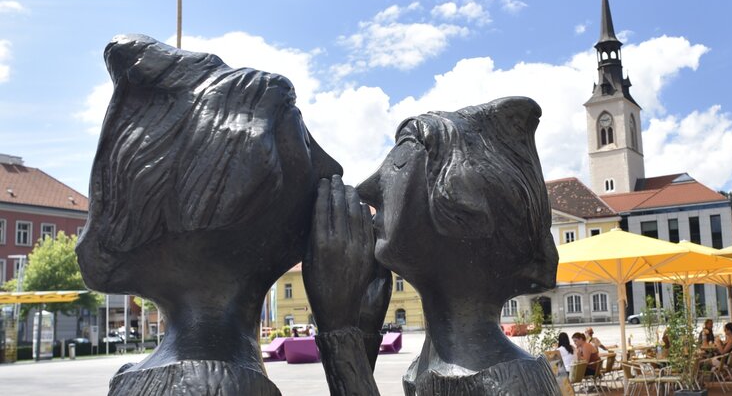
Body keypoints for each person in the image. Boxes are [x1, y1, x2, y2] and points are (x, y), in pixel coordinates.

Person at [76, 35, 343, 396]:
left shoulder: (163, 374)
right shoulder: (219, 386)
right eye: (306, 143)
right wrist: (345, 342)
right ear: (234, 198)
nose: (332, 167)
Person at [304, 97, 561, 395]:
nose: (367, 188)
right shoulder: (429, 370)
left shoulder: (507, 383)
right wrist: (362, 337)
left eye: (398, 164)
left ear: (463, 206)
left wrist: (339, 336)